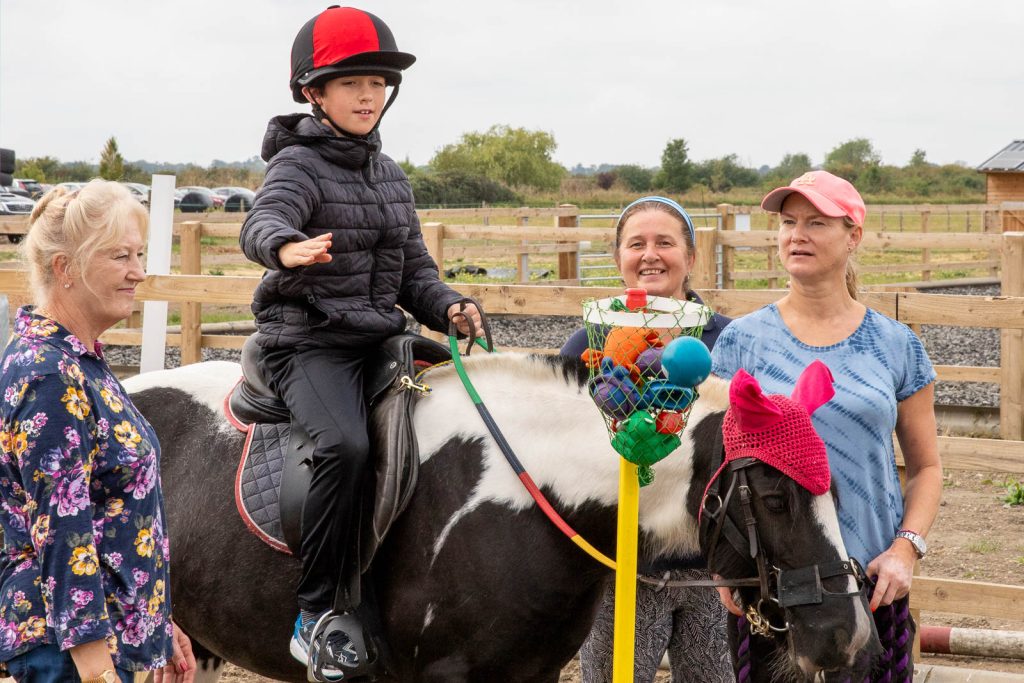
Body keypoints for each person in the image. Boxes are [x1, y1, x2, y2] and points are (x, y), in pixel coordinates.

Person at [238, 6, 481, 679]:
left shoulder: (391, 176)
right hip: (308, 343)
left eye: (377, 82)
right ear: (314, 93)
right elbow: (263, 222)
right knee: (344, 446)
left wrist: (452, 304)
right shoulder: (297, 164)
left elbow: (413, 274)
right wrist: (285, 249)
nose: (369, 95)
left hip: (380, 341)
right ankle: (316, 613)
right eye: (352, 84)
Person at [710, 171, 942, 679]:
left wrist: (906, 549)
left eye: (817, 222)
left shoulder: (897, 345)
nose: (797, 234)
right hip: (772, 592)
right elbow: (721, 468)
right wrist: (726, 564)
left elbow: (926, 468)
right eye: (789, 222)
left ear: (852, 235)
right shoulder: (739, 343)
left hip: (873, 582)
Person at [0, 181, 195, 683]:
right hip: (68, 651)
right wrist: (96, 671)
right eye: (120, 256)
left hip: (103, 638)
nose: (138, 271)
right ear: (65, 268)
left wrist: (158, 624)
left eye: (138, 254)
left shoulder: (79, 362)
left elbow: (118, 511)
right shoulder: (48, 375)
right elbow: (62, 528)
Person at [562, 196, 733, 683]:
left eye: (665, 242)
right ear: (619, 259)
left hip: (712, 569)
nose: (650, 255)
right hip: (622, 568)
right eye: (636, 244)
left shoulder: (727, 339)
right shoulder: (587, 348)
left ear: (692, 257)